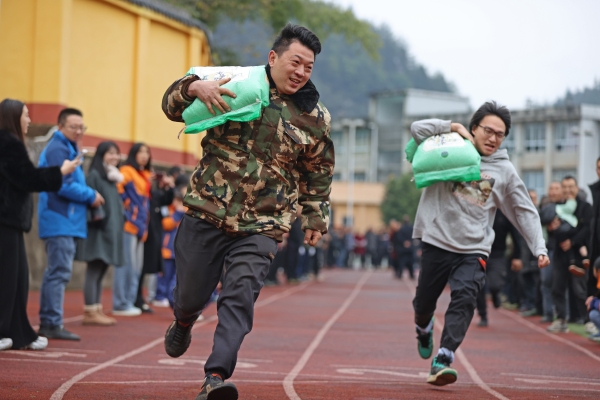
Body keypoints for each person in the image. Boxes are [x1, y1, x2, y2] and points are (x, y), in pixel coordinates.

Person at [161, 23, 333, 400]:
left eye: (309, 66)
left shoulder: (315, 117)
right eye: (295, 62)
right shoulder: (233, 82)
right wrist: (193, 86)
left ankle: (216, 376)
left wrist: (316, 217)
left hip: (264, 224)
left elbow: (318, 171)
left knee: (239, 296)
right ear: (273, 58)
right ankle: (184, 320)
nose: (301, 72)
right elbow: (171, 107)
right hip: (207, 210)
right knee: (190, 295)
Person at [410, 102, 549, 386]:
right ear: (475, 128)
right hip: (438, 240)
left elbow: (524, 210)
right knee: (424, 302)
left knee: (465, 297)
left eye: (500, 134)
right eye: (488, 130)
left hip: (474, 248)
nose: (493, 138)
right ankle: (423, 327)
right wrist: (453, 127)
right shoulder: (452, 144)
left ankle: (444, 357)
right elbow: (416, 129)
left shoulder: (505, 170)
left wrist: (539, 247)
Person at [0, 99, 81, 351]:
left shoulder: (10, 142)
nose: (29, 120)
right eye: (25, 115)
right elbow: (28, 178)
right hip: (5, 220)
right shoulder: (7, 142)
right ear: (14, 117)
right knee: (7, 279)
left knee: (19, 279)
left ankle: (20, 333)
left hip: (11, 221)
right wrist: (62, 171)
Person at [37, 108, 105, 341]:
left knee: (57, 272)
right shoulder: (58, 148)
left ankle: (51, 321)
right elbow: (62, 184)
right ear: (60, 127)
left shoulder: (68, 147)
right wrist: (91, 195)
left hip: (65, 219)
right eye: (73, 127)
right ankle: (51, 322)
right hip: (59, 218)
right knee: (58, 272)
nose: (78, 131)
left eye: (81, 127)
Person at [75, 141, 125, 326]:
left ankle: (96, 309)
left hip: (110, 231)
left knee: (102, 269)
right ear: (101, 155)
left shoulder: (112, 177)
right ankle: (90, 311)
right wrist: (102, 222)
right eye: (110, 153)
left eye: (116, 153)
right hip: (99, 230)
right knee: (94, 269)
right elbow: (91, 204)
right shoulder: (96, 175)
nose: (114, 157)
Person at [547, 176, 592, 332]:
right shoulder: (556, 207)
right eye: (564, 187)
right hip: (560, 253)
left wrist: (571, 242)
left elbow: (587, 229)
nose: (568, 190)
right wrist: (551, 228)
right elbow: (550, 229)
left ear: (577, 188)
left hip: (578, 255)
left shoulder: (585, 207)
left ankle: (588, 320)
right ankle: (560, 319)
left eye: (570, 186)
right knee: (557, 287)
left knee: (580, 290)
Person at [112, 143, 152, 316]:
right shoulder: (127, 171)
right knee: (126, 265)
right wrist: (128, 209)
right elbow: (117, 189)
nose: (144, 155)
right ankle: (121, 303)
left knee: (136, 268)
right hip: (129, 224)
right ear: (133, 154)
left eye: (147, 152)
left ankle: (128, 301)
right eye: (141, 152)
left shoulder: (145, 175)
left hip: (141, 227)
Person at [136, 168, 175, 313]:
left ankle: (140, 298)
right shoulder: (140, 192)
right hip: (141, 231)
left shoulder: (155, 195)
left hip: (153, 234)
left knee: (147, 268)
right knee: (138, 268)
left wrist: (169, 186)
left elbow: (167, 198)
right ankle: (136, 298)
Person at [475, 209, 523, 327]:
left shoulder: (505, 213)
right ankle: (483, 315)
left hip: (497, 254)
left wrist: (517, 256)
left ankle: (495, 294)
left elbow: (515, 235)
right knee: (477, 284)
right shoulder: (477, 211)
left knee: (495, 284)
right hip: (478, 253)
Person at [153, 185, 186, 307]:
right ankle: (159, 296)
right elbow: (167, 224)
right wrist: (177, 212)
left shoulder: (186, 212)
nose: (178, 203)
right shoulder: (168, 210)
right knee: (164, 276)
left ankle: (169, 297)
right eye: (176, 200)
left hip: (178, 251)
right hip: (167, 249)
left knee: (174, 277)